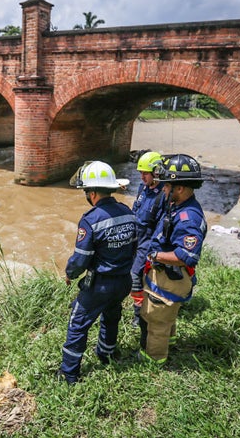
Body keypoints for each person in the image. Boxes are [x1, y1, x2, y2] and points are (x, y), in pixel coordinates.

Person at [58, 161, 136, 384]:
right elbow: (134, 247)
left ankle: (69, 374)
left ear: (92, 193)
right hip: (123, 281)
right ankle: (106, 353)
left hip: (100, 285)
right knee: (112, 316)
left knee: (78, 323)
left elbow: (81, 259)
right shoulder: (127, 212)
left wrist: (70, 274)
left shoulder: (90, 220)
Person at [138, 154, 208, 365]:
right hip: (167, 275)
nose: (164, 189)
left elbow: (185, 256)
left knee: (156, 320)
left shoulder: (188, 218)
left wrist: (155, 255)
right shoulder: (178, 205)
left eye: (167, 186)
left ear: (180, 188)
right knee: (167, 312)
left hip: (169, 277)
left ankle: (153, 359)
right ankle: (171, 340)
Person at [129, 151, 165, 327]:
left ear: (156, 172)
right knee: (130, 273)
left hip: (147, 241)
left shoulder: (163, 194)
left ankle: (140, 314)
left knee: (135, 275)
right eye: (140, 173)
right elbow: (136, 210)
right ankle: (140, 304)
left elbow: (161, 227)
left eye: (145, 173)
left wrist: (152, 251)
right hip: (136, 236)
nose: (142, 177)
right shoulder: (142, 188)